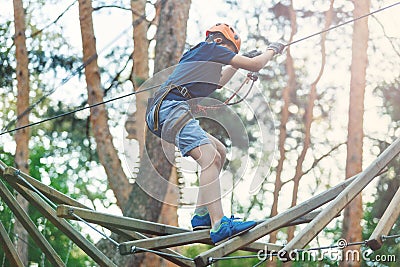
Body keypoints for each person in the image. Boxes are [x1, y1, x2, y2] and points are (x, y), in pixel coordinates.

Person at [146, 23, 284, 244]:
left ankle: (202, 215)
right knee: (209, 157)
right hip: (170, 108)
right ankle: (219, 223)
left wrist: (239, 63)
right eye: (229, 52)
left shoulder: (202, 57)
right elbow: (257, 65)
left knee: (219, 150)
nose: (228, 57)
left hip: (167, 111)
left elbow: (218, 83)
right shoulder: (210, 48)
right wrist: (272, 50)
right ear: (220, 42)